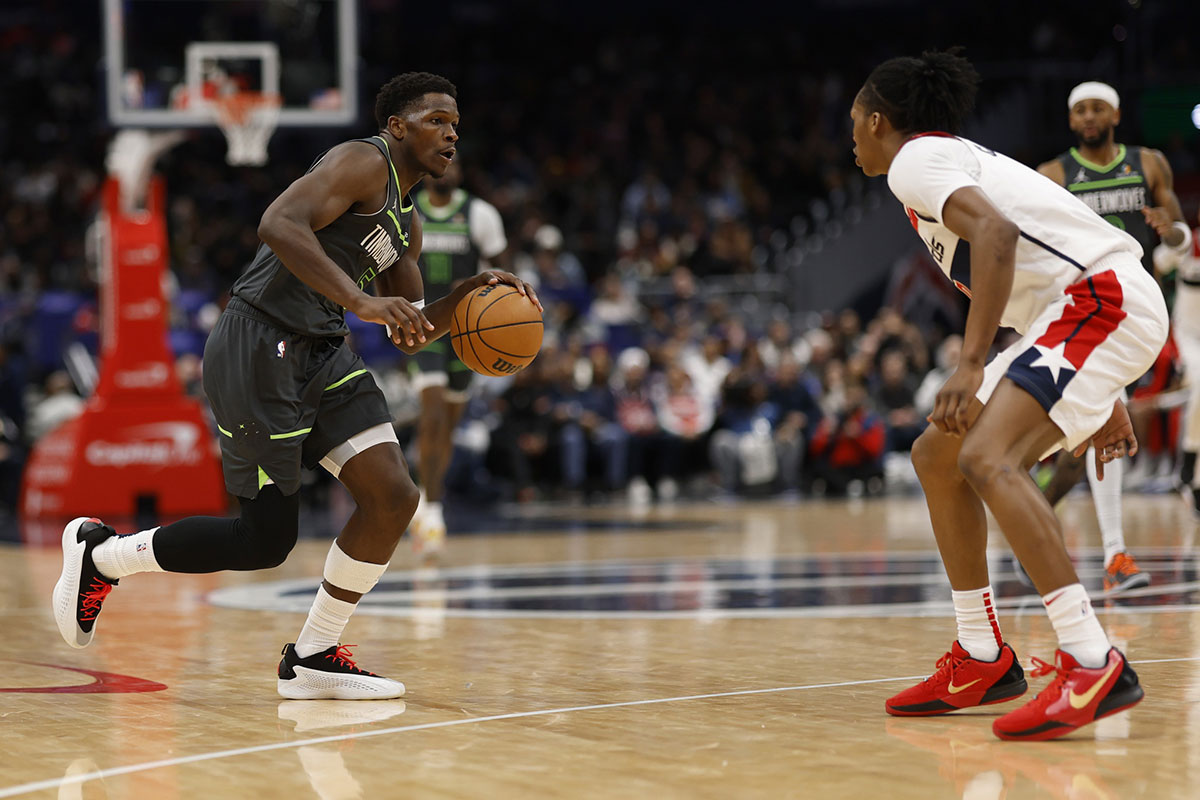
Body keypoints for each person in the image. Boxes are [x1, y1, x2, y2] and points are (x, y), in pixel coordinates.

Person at [51, 72, 540, 700]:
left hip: (322, 353)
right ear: (398, 126)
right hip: (260, 343)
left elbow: (412, 328)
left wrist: (468, 297)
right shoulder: (362, 161)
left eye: (455, 125)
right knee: (264, 541)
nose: (450, 134)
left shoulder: (407, 225)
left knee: (393, 496)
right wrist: (361, 300)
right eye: (436, 121)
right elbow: (278, 222)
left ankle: (313, 656)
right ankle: (102, 555)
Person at [851, 50, 1164, 740]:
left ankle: (1091, 660)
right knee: (939, 454)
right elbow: (1035, 271)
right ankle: (982, 656)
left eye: (853, 124)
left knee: (989, 458)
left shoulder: (917, 160)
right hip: (1080, 311)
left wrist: (968, 365)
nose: (851, 140)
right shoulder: (945, 165)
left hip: (1102, 299)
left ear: (879, 121)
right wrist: (1105, 390)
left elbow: (999, 236)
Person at [1021, 80, 1191, 592]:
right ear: (1072, 121)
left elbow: (1180, 239)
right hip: (1081, 309)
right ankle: (1115, 556)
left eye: (1098, 108)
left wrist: (1171, 235)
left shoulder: (1149, 163)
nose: (1089, 116)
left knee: (1081, 448)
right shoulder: (1052, 175)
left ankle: (1028, 530)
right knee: (1099, 425)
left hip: (1137, 305)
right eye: (1080, 110)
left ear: (1115, 113)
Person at [406, 161, 508, 557]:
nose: (447, 169)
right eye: (441, 163)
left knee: (447, 425)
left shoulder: (480, 214)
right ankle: (432, 511)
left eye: (454, 164)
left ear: (462, 173)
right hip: (425, 325)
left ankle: (430, 497)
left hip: (468, 332)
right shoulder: (409, 212)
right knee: (430, 416)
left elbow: (501, 270)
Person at [1159, 209, 1200, 515]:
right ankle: (1186, 462)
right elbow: (1158, 263)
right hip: (1187, 336)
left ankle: (1193, 479)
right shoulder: (1188, 245)